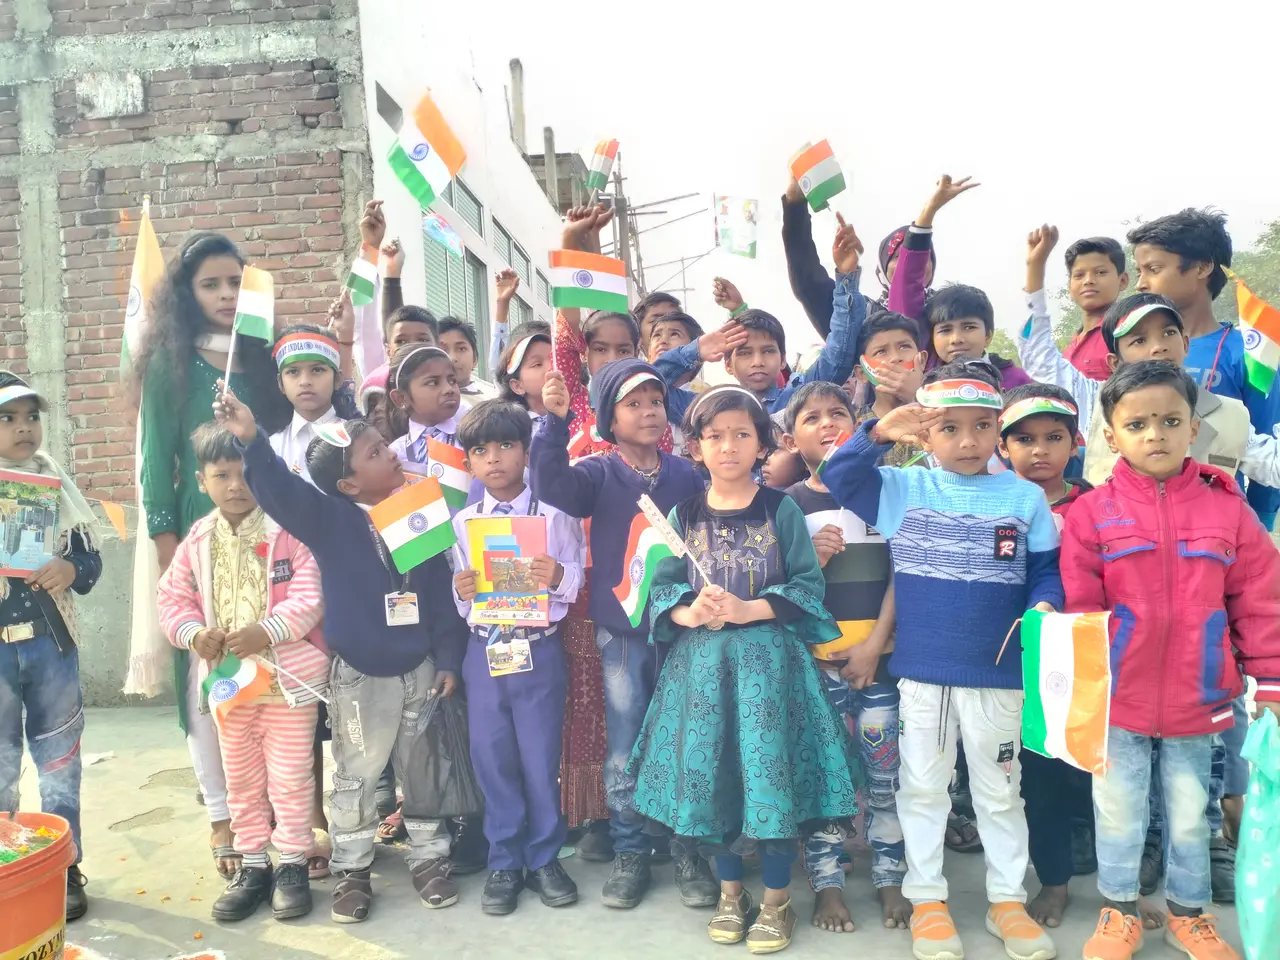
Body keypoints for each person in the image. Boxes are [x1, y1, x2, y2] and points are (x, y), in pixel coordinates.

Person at [822, 359, 1063, 960]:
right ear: (925, 435)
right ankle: (928, 900)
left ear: (998, 431)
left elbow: (1045, 573)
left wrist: (1043, 607)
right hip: (923, 677)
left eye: (981, 427)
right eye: (948, 428)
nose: (967, 441)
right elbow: (839, 474)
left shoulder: (1024, 496)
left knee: (1001, 794)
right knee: (923, 789)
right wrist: (878, 430)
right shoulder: (905, 489)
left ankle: (1006, 901)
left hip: (999, 676)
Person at [212, 387, 470, 924]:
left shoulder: (417, 512)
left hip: (420, 669)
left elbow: (441, 594)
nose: (392, 453)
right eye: (376, 453)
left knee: (423, 769)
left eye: (385, 444)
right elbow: (281, 490)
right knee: (356, 774)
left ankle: (429, 858)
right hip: (358, 677)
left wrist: (447, 659)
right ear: (349, 484)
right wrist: (251, 438)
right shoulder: (329, 520)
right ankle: (352, 869)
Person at [629, 384, 860, 954]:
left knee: (770, 781)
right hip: (702, 675)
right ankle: (732, 894)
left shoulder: (780, 508)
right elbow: (660, 592)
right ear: (696, 447)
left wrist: (748, 608)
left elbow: (807, 584)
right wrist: (689, 610)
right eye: (714, 436)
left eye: (740, 434)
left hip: (770, 675)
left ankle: (778, 903)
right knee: (715, 782)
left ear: (762, 444)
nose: (727, 446)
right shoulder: (680, 516)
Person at [1061, 361, 1280, 960]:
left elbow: (1260, 603)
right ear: (1112, 436)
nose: (1154, 433)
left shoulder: (1229, 511)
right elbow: (1078, 611)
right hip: (1118, 698)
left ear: (1192, 429)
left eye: (1169, 420)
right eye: (1138, 423)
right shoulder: (1091, 514)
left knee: (1191, 818)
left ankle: (1190, 916)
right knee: (1119, 812)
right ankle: (1118, 912)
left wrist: (1269, 686)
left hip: (1202, 697)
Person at [130, 231, 291, 882]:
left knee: (272, 669)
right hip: (199, 536)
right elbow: (154, 462)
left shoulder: (261, 360)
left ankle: (281, 807)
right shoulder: (169, 362)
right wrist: (171, 553)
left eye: (235, 283)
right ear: (186, 295)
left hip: (270, 530)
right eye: (211, 285)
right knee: (207, 672)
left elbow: (290, 433)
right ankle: (223, 814)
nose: (226, 296)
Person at [530, 358, 713, 910]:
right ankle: (632, 850)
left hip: (681, 630)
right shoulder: (595, 472)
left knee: (684, 737)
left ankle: (687, 848)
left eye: (656, 402)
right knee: (625, 746)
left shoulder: (685, 474)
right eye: (634, 404)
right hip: (624, 635)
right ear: (610, 417)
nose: (650, 412)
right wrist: (553, 422)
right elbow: (550, 484)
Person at [156, 423, 330, 922]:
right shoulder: (198, 538)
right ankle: (253, 866)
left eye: (244, 473)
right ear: (201, 481)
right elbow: (173, 598)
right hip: (230, 687)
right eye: (222, 475)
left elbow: (310, 596)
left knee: (292, 777)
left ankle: (293, 862)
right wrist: (194, 634)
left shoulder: (287, 531)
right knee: (242, 779)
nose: (235, 485)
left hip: (287, 685)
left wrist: (267, 631)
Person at [780, 381, 910, 934]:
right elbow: (779, 591)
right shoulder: (786, 506)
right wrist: (811, 561)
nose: (828, 423)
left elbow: (903, 576)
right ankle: (828, 884)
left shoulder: (884, 494)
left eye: (840, 413)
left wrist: (876, 644)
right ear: (791, 437)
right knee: (826, 779)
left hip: (879, 665)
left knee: (888, 780)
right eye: (813, 417)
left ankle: (890, 879)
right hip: (817, 671)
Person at [450, 400, 586, 915]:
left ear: (526, 453)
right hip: (485, 652)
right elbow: (464, 599)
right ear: (468, 464)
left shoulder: (554, 517)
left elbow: (575, 582)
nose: (494, 459)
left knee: (539, 758)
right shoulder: (462, 524)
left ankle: (545, 857)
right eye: (480, 450)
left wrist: (556, 576)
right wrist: (461, 589)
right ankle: (504, 862)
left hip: (539, 649)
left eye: (506, 445)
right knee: (493, 758)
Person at [992, 383, 1096, 930]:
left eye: (1054, 437)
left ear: (1076, 442)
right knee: (1042, 777)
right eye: (1025, 439)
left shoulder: (1098, 503)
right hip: (1022, 661)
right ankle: (1053, 882)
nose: (1040, 451)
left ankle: (1120, 887)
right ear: (1002, 447)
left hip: (1092, 658)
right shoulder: (998, 505)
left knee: (1102, 776)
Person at [0, 374, 102, 921]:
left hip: (50, 647)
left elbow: (90, 563)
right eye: (8, 418)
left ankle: (64, 868)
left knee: (60, 761)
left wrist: (70, 567)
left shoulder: (54, 486)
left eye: (31, 417)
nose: (23, 428)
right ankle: (8, 872)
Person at [1128, 208, 1280, 529]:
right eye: (1138, 271)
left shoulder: (1248, 353)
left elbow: (1265, 444)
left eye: (1153, 269)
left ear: (1203, 267)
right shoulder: (1131, 351)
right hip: (1138, 521)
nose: (1141, 283)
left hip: (1216, 523)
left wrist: (1260, 522)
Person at [657, 213, 866, 421]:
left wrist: (847, 276)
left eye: (768, 351)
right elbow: (650, 386)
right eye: (745, 353)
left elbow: (837, 356)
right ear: (728, 364)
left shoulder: (798, 398)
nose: (758, 362)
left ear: (783, 359)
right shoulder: (709, 407)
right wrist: (696, 350)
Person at [1024, 226, 1129, 382]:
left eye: (1100, 272)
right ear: (1070, 286)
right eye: (1079, 275)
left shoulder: (1126, 332)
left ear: (1123, 281)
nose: (1088, 281)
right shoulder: (1072, 346)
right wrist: (1034, 264)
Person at [268, 324, 358, 484]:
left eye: (317, 370)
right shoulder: (272, 446)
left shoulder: (358, 440)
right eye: (293, 372)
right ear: (281, 383)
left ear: (337, 379)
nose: (305, 382)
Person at [926, 284, 1031, 389]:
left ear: (988, 336)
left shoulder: (1019, 381)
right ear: (932, 338)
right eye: (945, 330)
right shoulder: (925, 386)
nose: (956, 339)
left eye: (968, 327)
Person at [387, 343, 464, 468]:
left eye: (452, 380)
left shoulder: (471, 441)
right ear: (401, 398)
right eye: (433, 382)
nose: (449, 389)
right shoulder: (396, 453)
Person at [440, 316, 497, 410]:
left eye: (461, 349)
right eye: (443, 350)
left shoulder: (492, 403)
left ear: (475, 359)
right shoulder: (422, 402)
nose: (452, 358)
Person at [632, 290, 682, 359]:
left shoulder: (692, 365)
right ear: (638, 332)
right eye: (656, 321)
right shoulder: (628, 368)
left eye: (672, 320)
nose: (665, 326)